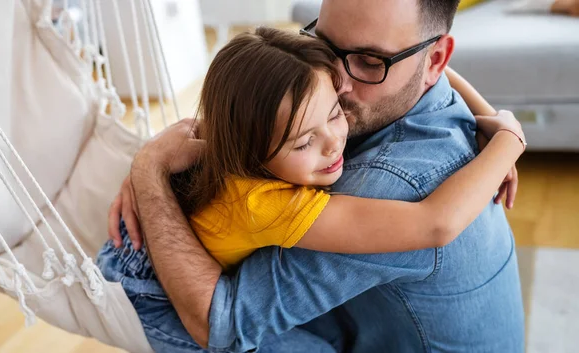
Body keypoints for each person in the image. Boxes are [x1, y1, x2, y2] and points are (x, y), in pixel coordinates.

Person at [102, 0, 526, 351]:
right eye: (324, 46)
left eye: (368, 60)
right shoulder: (408, 86)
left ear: (433, 59)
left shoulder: (391, 187)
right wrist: (494, 118)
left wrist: (150, 172)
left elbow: (220, 324)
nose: (336, 83)